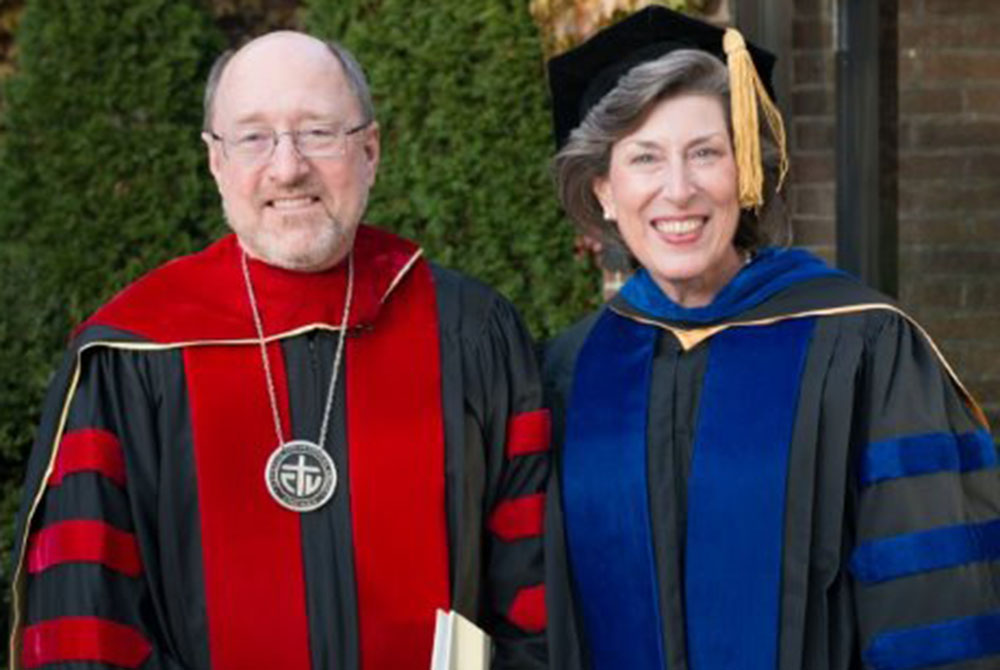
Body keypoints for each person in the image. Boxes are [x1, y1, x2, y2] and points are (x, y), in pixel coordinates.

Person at [9, 32, 548, 670]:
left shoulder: (470, 331)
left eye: (319, 132)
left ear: (370, 150)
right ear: (215, 161)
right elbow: (85, 628)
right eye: (253, 137)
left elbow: (535, 599)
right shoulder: (130, 355)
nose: (288, 167)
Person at [542, 7, 1000, 670]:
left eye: (706, 153)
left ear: (747, 173)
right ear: (605, 191)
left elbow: (935, 607)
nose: (679, 190)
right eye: (645, 158)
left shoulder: (864, 347)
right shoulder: (570, 368)